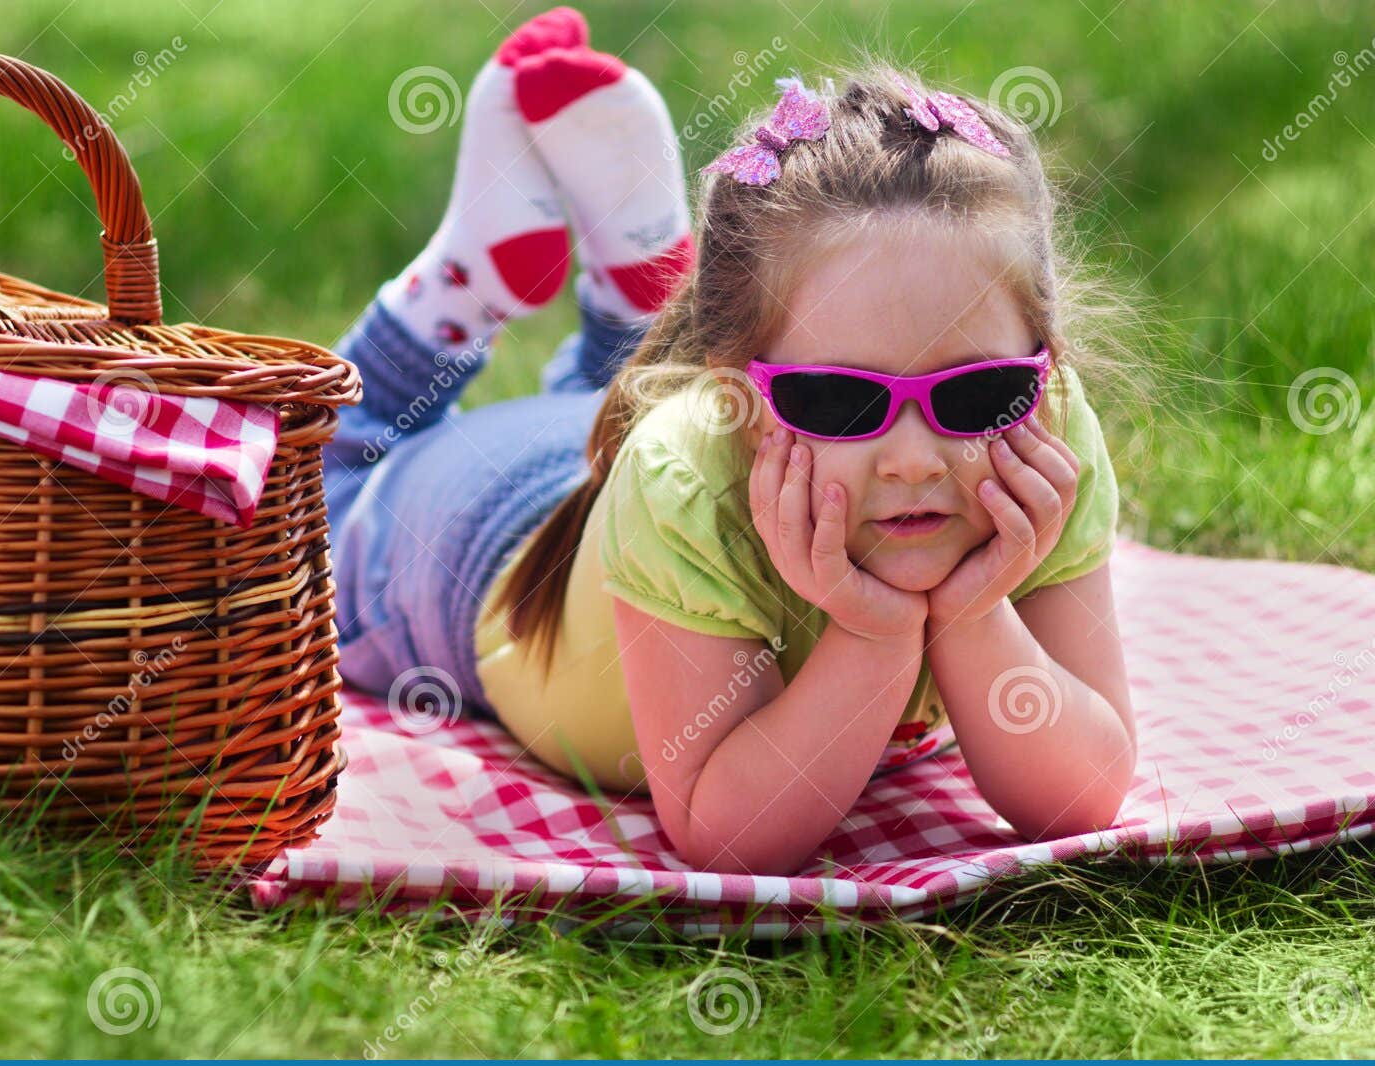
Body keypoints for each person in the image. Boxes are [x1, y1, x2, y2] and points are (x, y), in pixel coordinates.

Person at [323, 6, 1137, 876]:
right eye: (839, 399)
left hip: (623, 452)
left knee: (613, 403)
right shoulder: (683, 473)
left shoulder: (1042, 437)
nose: (914, 458)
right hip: (465, 535)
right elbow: (730, 838)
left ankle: (629, 306)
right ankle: (459, 283)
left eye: (978, 391)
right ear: (738, 394)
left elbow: (1077, 800)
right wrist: (874, 637)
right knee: (321, 487)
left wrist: (974, 613)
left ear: (1039, 367)